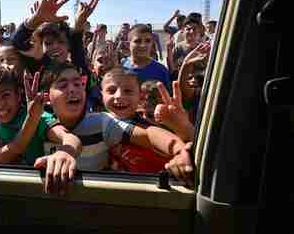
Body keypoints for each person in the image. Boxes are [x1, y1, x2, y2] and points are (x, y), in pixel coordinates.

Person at [41, 63, 193, 187]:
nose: (72, 89)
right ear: (47, 97)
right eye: (62, 85)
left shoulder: (103, 122)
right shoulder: (38, 122)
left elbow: (149, 134)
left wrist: (179, 150)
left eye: (77, 83)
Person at [122, 24, 171, 91]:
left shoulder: (161, 71)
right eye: (138, 41)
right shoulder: (121, 66)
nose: (143, 45)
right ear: (128, 44)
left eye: (147, 41)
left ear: (152, 44)